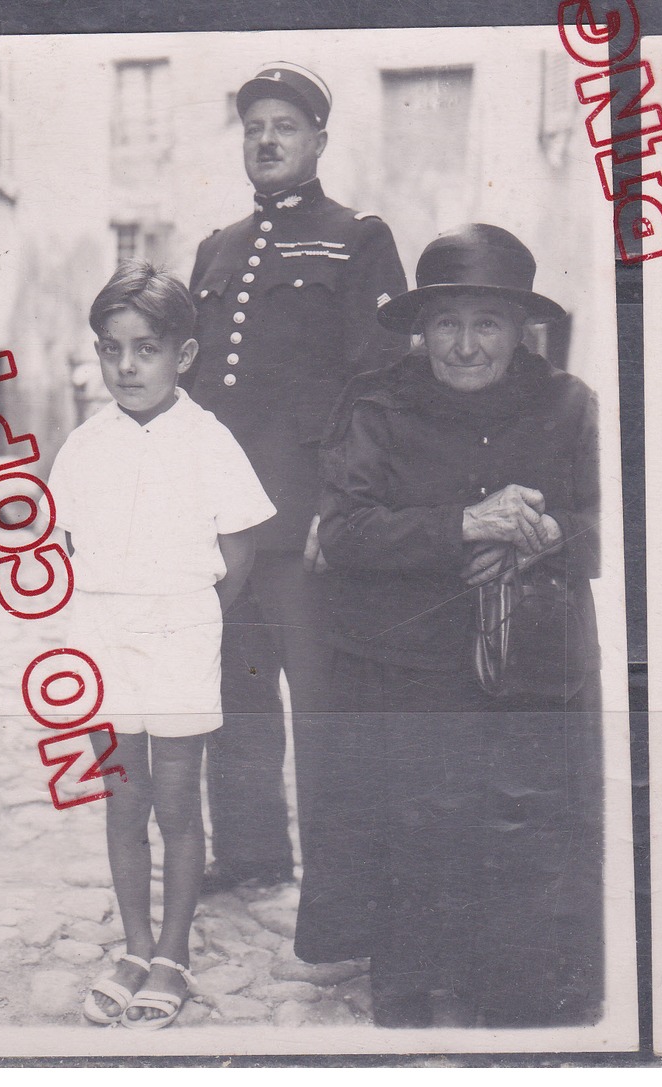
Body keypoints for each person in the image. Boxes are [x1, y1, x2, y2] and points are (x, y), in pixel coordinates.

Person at [297, 223, 604, 1028]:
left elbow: (611, 526)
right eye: (446, 324)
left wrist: (549, 540)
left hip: (529, 661)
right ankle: (410, 977)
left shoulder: (568, 406)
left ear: (520, 330)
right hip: (402, 657)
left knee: (519, 820)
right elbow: (343, 532)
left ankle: (511, 984)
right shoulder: (376, 406)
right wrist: (464, 525)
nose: (464, 346)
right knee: (415, 817)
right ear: (422, 329)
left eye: (486, 324)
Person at [183, 63, 408, 893]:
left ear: (318, 139)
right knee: (233, 694)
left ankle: (342, 877)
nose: (266, 140)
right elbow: (198, 392)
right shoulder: (217, 248)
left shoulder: (357, 238)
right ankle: (248, 854)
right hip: (226, 527)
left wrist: (341, 507)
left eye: (284, 126)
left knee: (323, 705)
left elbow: (378, 387)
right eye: (253, 128)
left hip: (309, 522)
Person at [50, 262, 276, 1028]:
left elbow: (238, 550)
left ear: (183, 355)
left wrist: (189, 616)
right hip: (105, 631)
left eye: (145, 348)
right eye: (111, 349)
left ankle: (173, 951)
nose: (127, 366)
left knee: (177, 799)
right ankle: (134, 943)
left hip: (181, 628)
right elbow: (72, 540)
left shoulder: (208, 439)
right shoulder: (83, 445)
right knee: (122, 798)